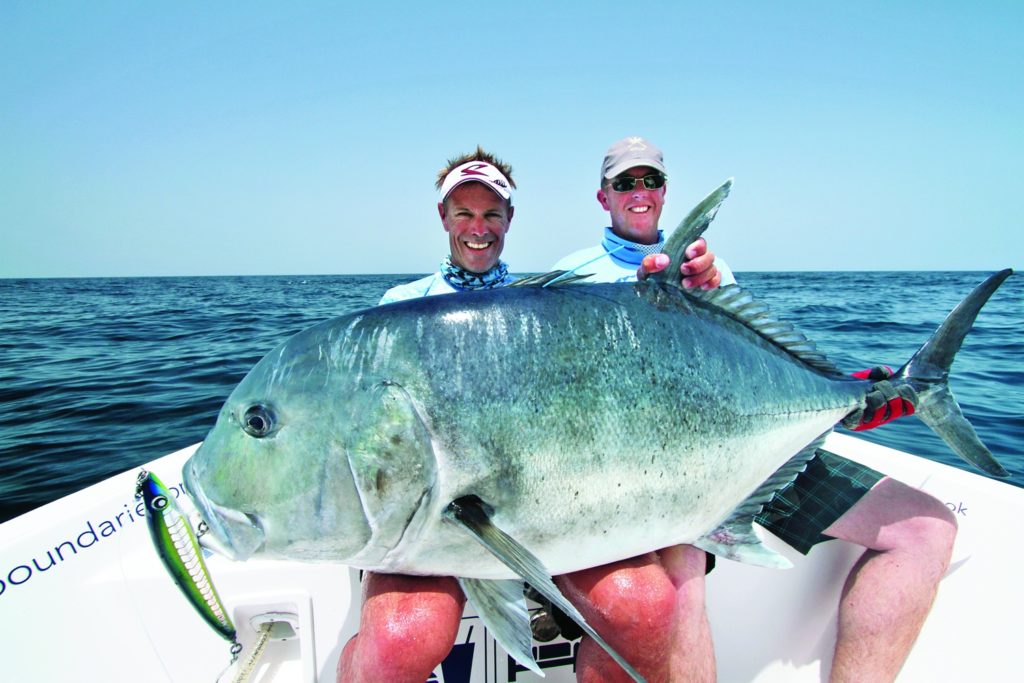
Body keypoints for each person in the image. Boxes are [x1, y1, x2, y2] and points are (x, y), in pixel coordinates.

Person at [551, 136, 957, 682]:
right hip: (659, 476)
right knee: (686, 571)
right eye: (624, 183)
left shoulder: (709, 271)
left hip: (758, 452)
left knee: (926, 530)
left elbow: (758, 374)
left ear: (666, 192)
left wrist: (849, 391)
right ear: (604, 197)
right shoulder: (568, 281)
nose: (639, 192)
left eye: (650, 180)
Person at [338, 146, 722, 683]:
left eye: (492, 213)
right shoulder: (399, 308)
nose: (478, 227)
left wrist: (696, 288)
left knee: (643, 609)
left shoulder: (547, 307)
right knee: (401, 640)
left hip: (546, 504)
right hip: (429, 511)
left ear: (509, 221)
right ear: (444, 218)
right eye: (464, 213)